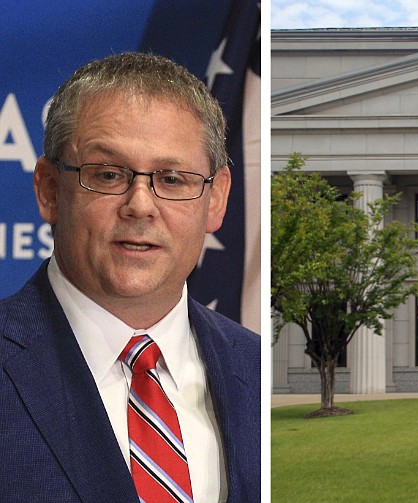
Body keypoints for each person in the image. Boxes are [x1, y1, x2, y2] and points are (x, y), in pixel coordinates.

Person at [0, 52, 260, 502]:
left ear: (215, 200)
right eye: (107, 174)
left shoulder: (254, 368)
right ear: (48, 190)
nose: (140, 205)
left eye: (173, 178)